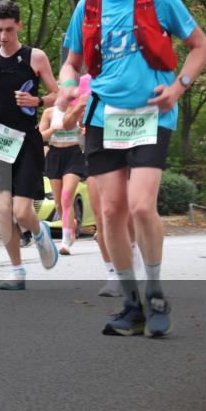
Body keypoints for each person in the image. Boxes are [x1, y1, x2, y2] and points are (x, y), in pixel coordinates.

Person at [56, 0, 206, 337]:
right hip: (104, 117)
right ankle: (131, 304)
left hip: (150, 115)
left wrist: (179, 88)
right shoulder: (87, 7)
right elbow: (71, 64)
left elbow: (200, 46)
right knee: (110, 213)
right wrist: (68, 87)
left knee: (142, 207)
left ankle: (155, 292)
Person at [0, 1, 59, 290]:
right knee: (2, 210)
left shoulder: (35, 58)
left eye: (9, 29)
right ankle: (17, 270)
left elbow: (58, 96)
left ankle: (39, 233)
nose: (3, 36)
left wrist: (38, 101)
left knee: (22, 212)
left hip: (27, 141)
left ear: (19, 26)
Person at [57, 88, 145, 296]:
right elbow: (68, 123)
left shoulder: (130, 68)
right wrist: (79, 106)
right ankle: (113, 273)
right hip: (97, 145)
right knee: (103, 216)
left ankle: (134, 253)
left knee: (126, 213)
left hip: (126, 137)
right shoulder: (85, 83)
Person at [38, 104, 88, 255]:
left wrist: (84, 132)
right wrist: (53, 129)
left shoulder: (79, 111)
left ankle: (65, 241)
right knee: (59, 203)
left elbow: (89, 133)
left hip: (74, 154)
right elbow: (40, 137)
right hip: (54, 155)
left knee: (67, 197)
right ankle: (71, 223)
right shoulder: (49, 113)